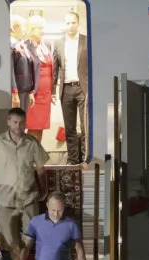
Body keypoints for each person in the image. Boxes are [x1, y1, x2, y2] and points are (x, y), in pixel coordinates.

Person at [0, 107, 50, 256]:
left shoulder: (32, 143)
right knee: (8, 237)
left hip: (28, 196)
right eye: (15, 122)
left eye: (21, 122)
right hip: (6, 198)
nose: (18, 126)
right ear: (8, 122)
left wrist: (44, 187)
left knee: (31, 233)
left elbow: (41, 168)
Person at [54, 10, 88, 165]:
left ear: (78, 23)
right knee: (70, 128)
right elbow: (55, 67)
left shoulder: (86, 41)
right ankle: (72, 159)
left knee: (86, 125)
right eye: (67, 23)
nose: (70, 26)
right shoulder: (59, 43)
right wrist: (53, 89)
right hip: (66, 89)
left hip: (83, 88)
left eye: (73, 22)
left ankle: (86, 157)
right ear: (64, 24)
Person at [24, 15, 57, 142]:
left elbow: (51, 70)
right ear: (32, 30)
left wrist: (52, 92)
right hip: (34, 95)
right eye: (40, 28)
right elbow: (25, 71)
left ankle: (36, 157)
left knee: (40, 127)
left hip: (45, 95)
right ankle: (28, 159)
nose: (43, 31)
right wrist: (30, 91)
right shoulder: (25, 46)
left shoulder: (46, 45)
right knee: (32, 127)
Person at [10, 15, 39, 111]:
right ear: (15, 27)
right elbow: (9, 70)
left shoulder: (22, 45)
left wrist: (31, 91)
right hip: (18, 90)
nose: (25, 30)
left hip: (26, 88)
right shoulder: (10, 45)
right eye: (23, 27)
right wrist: (14, 93)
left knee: (22, 121)